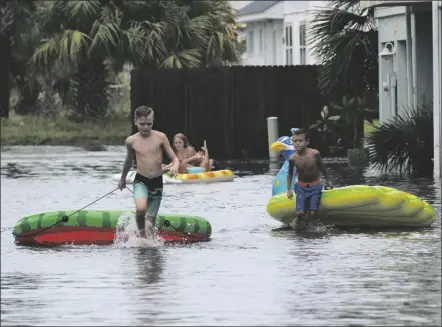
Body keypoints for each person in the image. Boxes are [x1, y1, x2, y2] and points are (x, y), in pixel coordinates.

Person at [118, 106, 180, 239]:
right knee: (140, 209)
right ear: (135, 121)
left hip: (157, 182)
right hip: (141, 180)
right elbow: (128, 161)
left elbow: (174, 158)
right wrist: (122, 179)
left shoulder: (161, 137)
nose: (146, 127)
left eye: (149, 124)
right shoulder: (131, 141)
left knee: (150, 222)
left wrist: (175, 166)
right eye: (142, 124)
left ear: (153, 121)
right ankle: (141, 237)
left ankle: (148, 238)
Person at [286, 128, 333, 231]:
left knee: (312, 212)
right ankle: (297, 221)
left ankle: (314, 229)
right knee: (300, 212)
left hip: (315, 186)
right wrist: (289, 189)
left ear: (307, 142)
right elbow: (289, 173)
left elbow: (322, 167)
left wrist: (328, 179)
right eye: (295, 141)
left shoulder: (314, 154)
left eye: (300, 141)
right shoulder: (292, 158)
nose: (297, 143)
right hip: (301, 187)